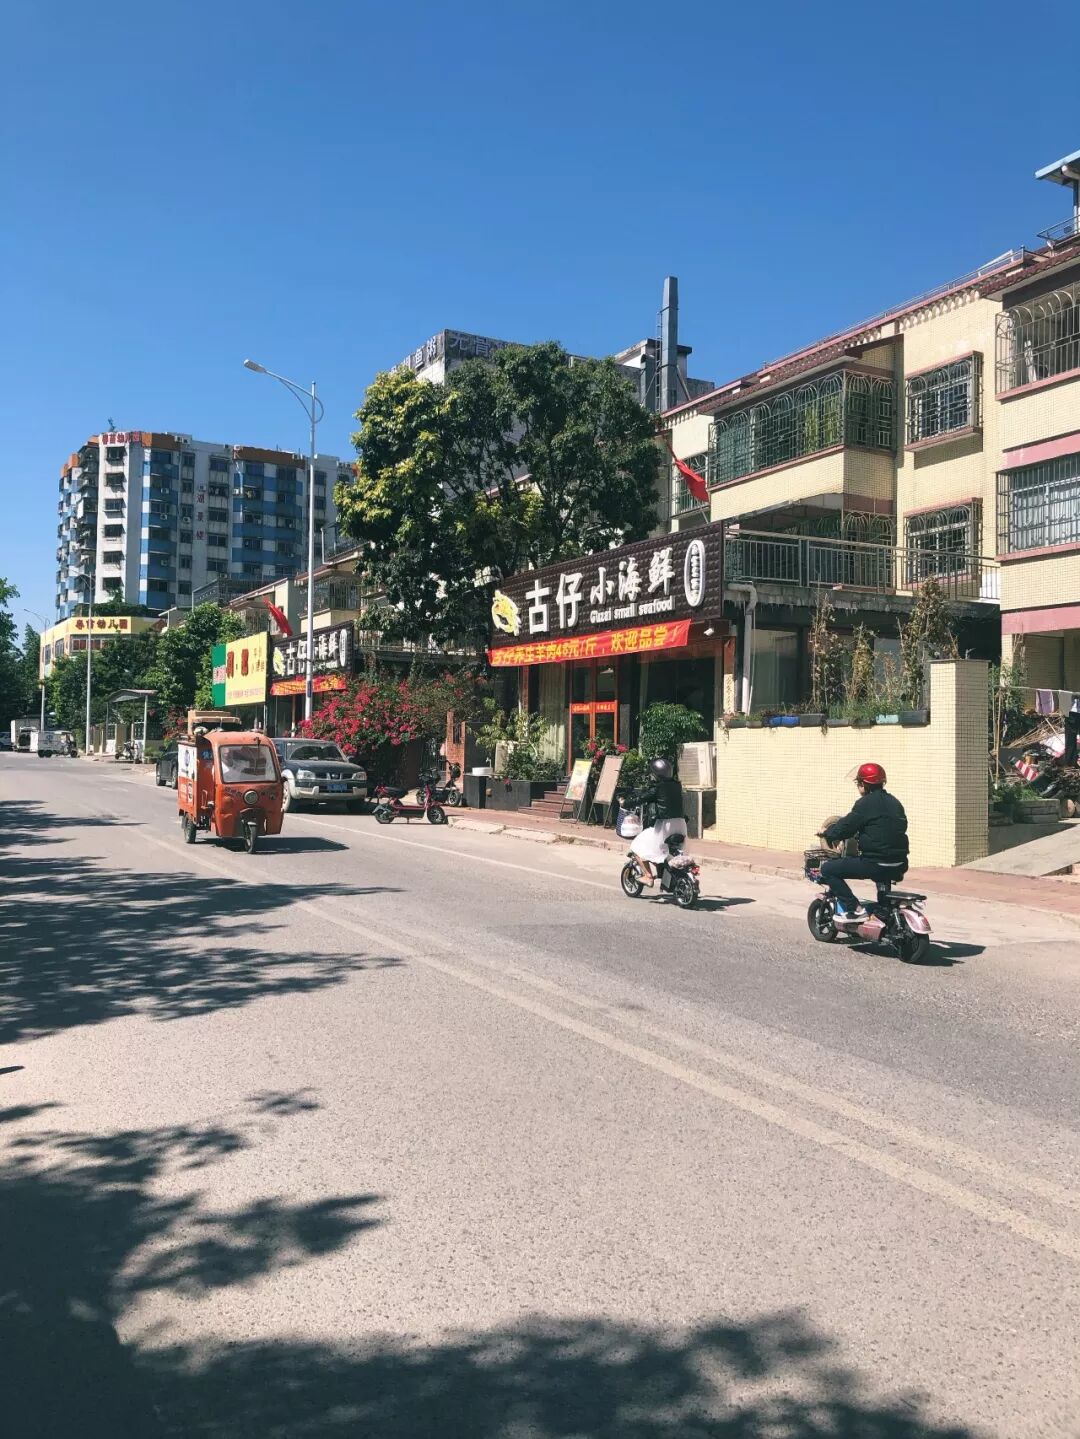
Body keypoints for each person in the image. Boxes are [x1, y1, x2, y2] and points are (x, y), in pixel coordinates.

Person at [818, 762, 909, 922]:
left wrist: (828, 833)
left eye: (858, 782)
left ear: (864, 784)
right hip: (899, 863)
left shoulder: (864, 804)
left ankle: (855, 909)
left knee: (828, 869)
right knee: (882, 871)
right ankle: (883, 909)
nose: (858, 786)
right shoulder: (895, 802)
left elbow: (846, 827)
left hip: (874, 863)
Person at [619, 757, 687, 884]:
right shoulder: (677, 786)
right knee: (662, 851)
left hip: (665, 826)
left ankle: (648, 876)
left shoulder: (657, 788)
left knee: (637, 846)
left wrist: (624, 803)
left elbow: (640, 799)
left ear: (655, 774)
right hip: (681, 825)